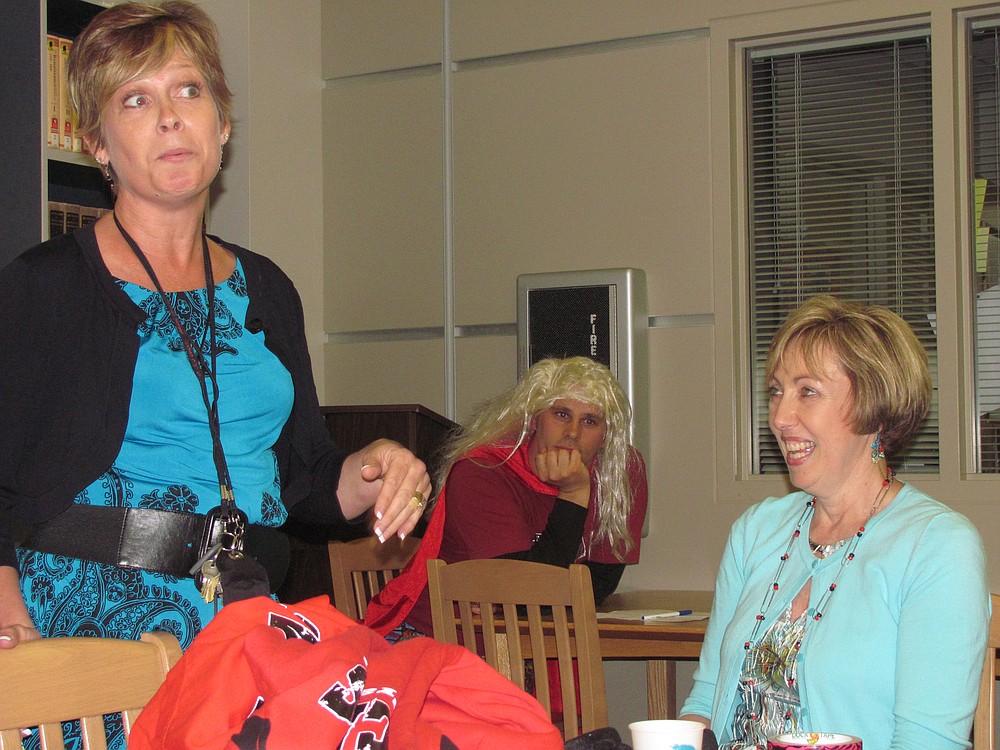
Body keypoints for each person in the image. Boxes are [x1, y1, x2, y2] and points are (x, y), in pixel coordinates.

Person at [0, 0, 431, 657]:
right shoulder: (46, 285)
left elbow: (305, 481)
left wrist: (379, 471)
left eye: (188, 90)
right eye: (136, 100)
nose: (170, 116)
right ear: (97, 143)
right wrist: (11, 626)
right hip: (90, 629)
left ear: (222, 122)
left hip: (241, 614)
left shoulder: (266, 287)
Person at [680, 296, 990, 750]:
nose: (780, 418)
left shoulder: (938, 547)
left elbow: (929, 741)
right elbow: (706, 697)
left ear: (874, 406)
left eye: (807, 391)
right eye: (776, 391)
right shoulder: (756, 531)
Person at [363, 355, 648, 639]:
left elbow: (599, 583)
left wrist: (513, 599)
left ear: (606, 435)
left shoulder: (620, 475)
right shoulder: (482, 471)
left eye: (590, 421)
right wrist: (573, 494)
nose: (572, 432)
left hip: (535, 641)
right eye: (561, 414)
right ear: (535, 418)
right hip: (436, 640)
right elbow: (526, 590)